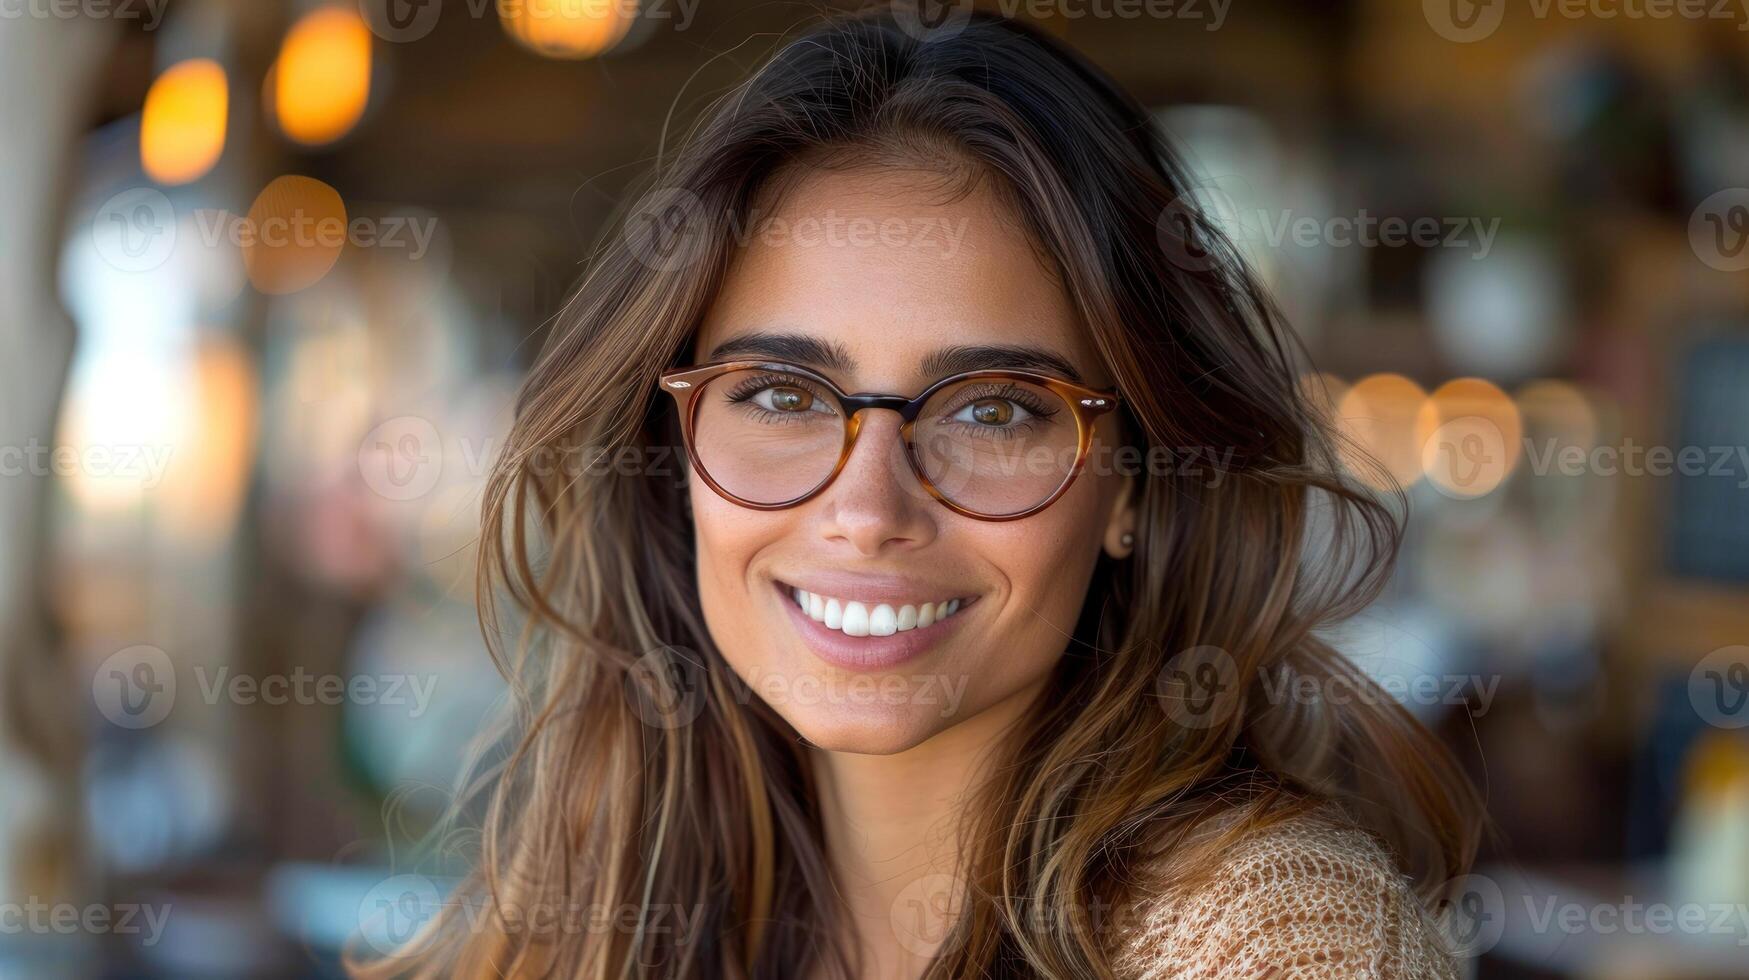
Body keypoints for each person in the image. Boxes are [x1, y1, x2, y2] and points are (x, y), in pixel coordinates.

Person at [355, 7, 1481, 978]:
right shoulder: (613, 897)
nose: (869, 508)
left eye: (992, 408)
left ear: (1136, 477)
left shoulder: (1275, 943)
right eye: (784, 393)